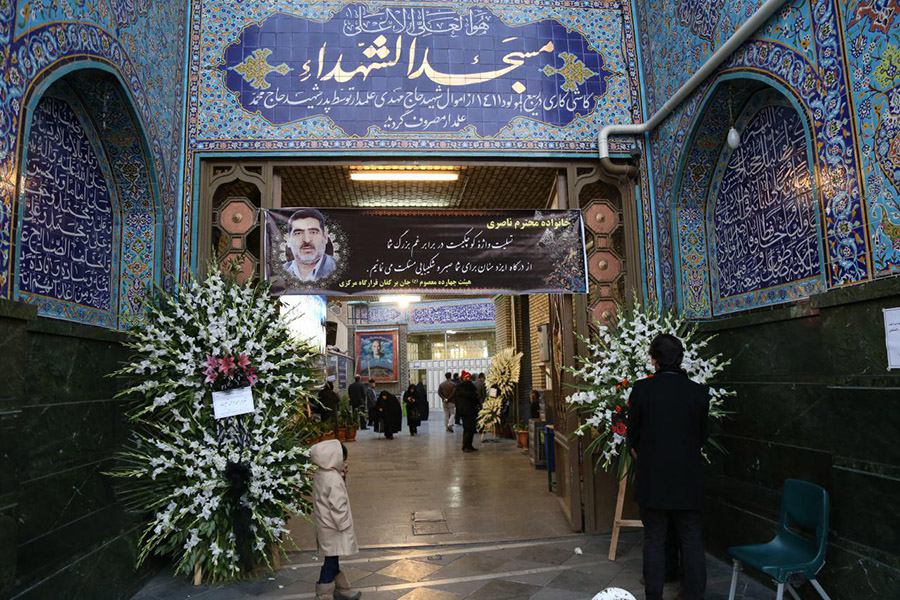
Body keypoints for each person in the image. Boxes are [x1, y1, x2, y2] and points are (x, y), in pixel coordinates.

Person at [626, 333, 710, 600]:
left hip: (653, 480)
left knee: (654, 539)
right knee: (691, 539)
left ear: (655, 360)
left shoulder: (642, 390)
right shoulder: (698, 392)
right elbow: (702, 437)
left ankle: (654, 596)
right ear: (681, 359)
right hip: (688, 479)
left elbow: (632, 436)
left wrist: (645, 456)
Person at [310, 440, 361, 600]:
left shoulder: (321, 473)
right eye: (342, 459)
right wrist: (344, 524)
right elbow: (338, 505)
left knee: (333, 556)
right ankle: (323, 591)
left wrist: (342, 476)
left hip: (325, 525)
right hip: (335, 527)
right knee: (331, 559)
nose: (343, 462)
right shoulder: (333, 478)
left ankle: (341, 588)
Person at [284, 208, 336, 282]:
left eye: (313, 232)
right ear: (288, 241)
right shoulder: (281, 272)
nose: (307, 240)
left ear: (325, 237)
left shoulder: (338, 268)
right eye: (298, 233)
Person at [453, 371, 480, 453]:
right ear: (463, 378)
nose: (468, 379)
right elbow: (470, 396)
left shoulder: (470, 386)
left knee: (471, 429)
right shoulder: (461, 387)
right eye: (466, 377)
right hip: (466, 411)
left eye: (469, 377)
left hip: (471, 410)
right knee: (467, 429)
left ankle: (469, 445)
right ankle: (465, 446)